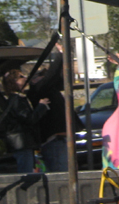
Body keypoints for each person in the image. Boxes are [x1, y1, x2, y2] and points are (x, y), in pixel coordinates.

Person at [28, 43, 80, 172]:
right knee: (62, 177)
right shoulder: (37, 90)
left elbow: (59, 78)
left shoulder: (51, 90)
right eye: (41, 76)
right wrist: (61, 54)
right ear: (34, 80)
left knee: (69, 173)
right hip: (54, 142)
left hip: (63, 141)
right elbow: (52, 75)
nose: (44, 78)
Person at [2, 69, 49, 174]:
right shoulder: (16, 100)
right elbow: (29, 119)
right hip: (22, 143)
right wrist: (41, 106)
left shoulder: (18, 98)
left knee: (28, 169)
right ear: (13, 82)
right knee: (26, 172)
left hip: (23, 143)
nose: (25, 78)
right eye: (21, 77)